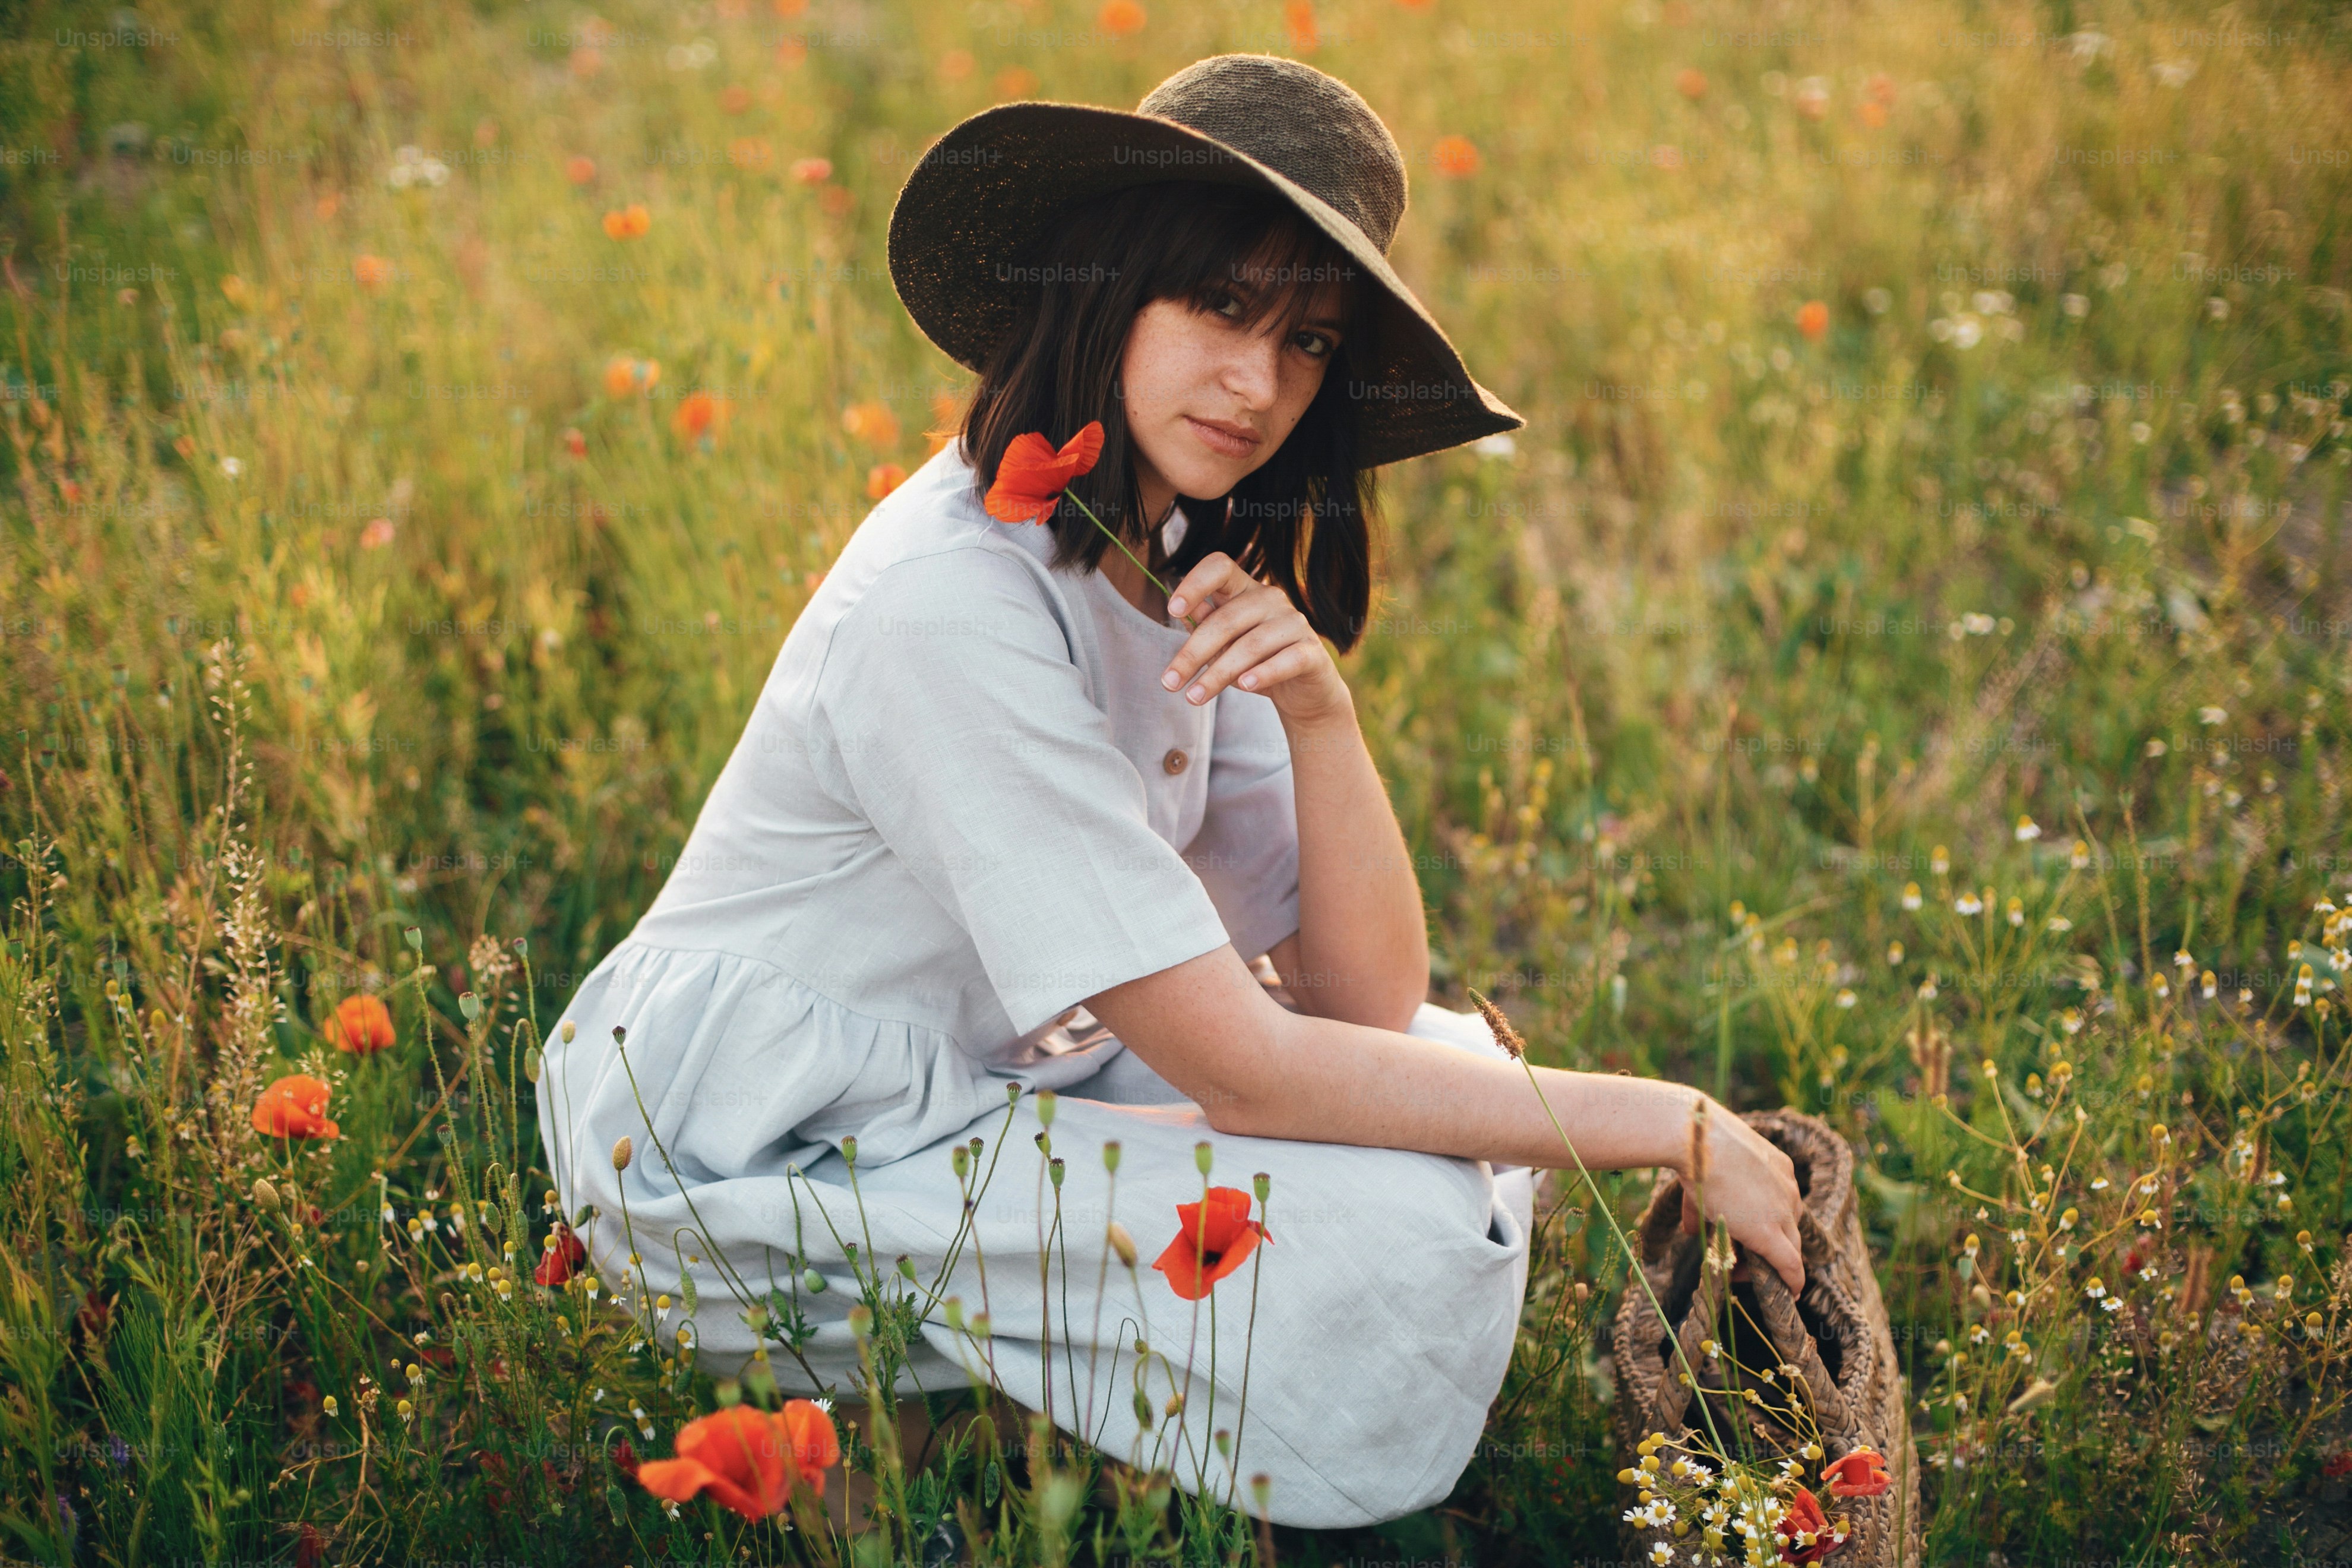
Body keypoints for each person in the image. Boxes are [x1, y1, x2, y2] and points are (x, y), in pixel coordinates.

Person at [536, 52, 1805, 1532]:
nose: (1259, 383)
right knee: (1394, 1206)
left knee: (1444, 1107)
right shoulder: (952, 599)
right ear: (1112, 289)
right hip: (756, 1138)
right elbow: (1252, 1071)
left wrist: (1321, 716)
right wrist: (1674, 1123)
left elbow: (1364, 1000)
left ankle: (1024, 1419)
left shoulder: (1175, 550)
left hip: (988, 1071)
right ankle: (951, 1445)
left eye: (1310, 343)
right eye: (1221, 308)